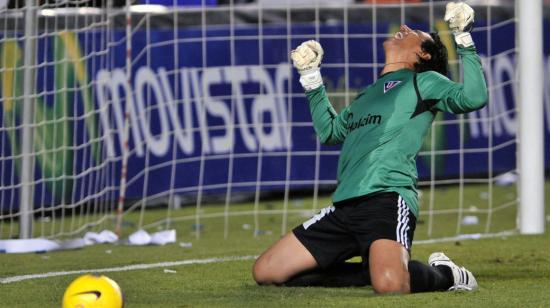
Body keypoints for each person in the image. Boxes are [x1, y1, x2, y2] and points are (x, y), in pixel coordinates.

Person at [252, 2, 487, 294]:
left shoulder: (424, 81)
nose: (403, 28)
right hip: (346, 205)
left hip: (387, 201)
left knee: (390, 286)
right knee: (267, 271)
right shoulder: (368, 95)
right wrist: (311, 77)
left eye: (414, 32)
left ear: (423, 54)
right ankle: (376, 268)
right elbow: (331, 132)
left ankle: (448, 275)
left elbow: (474, 97)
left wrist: (463, 38)